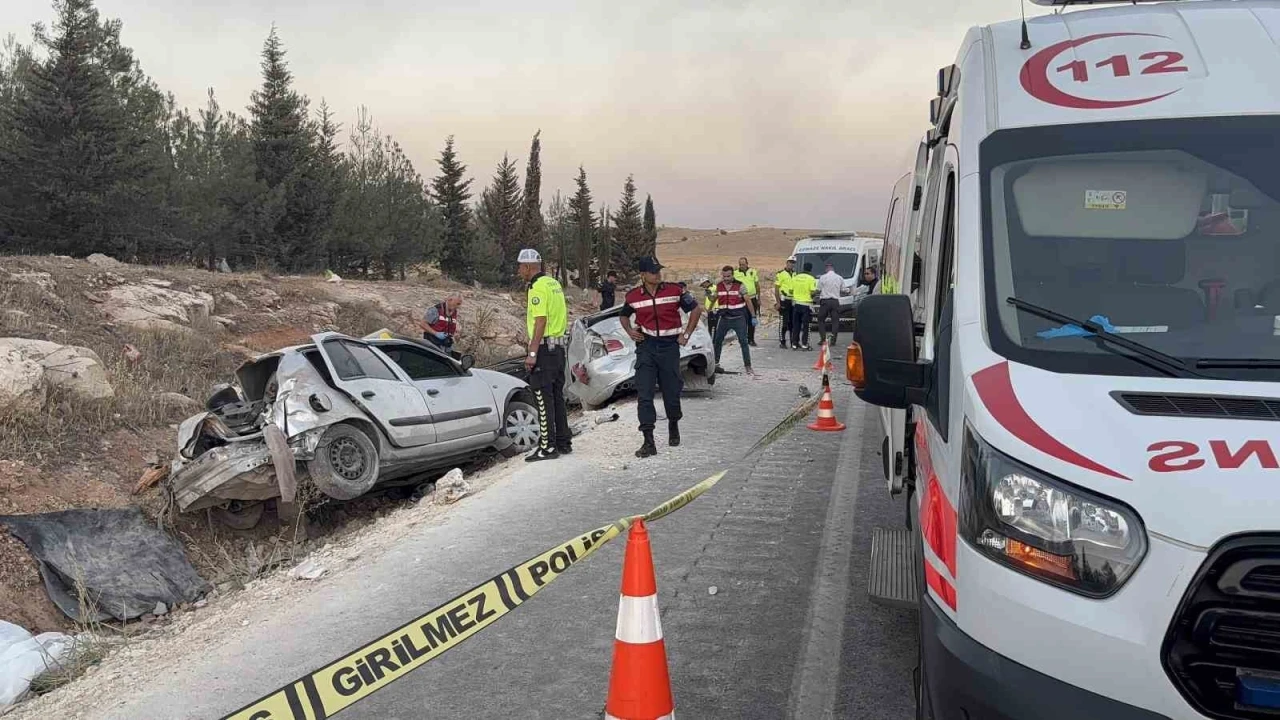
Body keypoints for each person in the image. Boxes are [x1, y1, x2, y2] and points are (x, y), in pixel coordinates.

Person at [620, 257, 703, 458]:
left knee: (671, 391)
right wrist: (630, 331)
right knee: (644, 393)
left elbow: (696, 310)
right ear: (643, 275)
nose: (658, 274)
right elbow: (623, 315)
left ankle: (673, 423)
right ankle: (648, 441)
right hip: (646, 347)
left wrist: (686, 335)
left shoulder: (675, 291)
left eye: (658, 270)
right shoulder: (633, 296)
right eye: (653, 271)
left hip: (669, 347)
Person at [517, 248, 571, 462]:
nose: (519, 271)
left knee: (542, 398)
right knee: (557, 397)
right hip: (558, 349)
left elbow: (540, 321)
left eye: (520, 267)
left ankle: (547, 447)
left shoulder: (537, 287)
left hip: (544, 350)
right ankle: (563, 441)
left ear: (527, 267)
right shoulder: (553, 283)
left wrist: (532, 352)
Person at [712, 265, 755, 376]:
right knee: (717, 341)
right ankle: (715, 364)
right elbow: (714, 298)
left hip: (738, 319)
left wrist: (753, 316)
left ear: (733, 275)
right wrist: (709, 308)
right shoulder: (719, 286)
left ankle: (748, 366)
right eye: (724, 276)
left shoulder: (740, 285)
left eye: (728, 276)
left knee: (743, 342)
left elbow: (748, 301)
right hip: (724, 318)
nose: (726, 278)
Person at [417, 295, 463, 359]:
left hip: (446, 346)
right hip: (432, 344)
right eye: (457, 304)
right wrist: (436, 333)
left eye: (459, 304)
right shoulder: (435, 310)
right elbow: (423, 324)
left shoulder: (454, 312)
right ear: (450, 300)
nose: (458, 306)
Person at [816, 261, 847, 347]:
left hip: (825, 302)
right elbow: (844, 290)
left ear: (827, 268)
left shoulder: (823, 277)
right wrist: (848, 291)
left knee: (821, 320)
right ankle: (833, 341)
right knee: (835, 321)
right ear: (833, 268)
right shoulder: (839, 277)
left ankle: (823, 339)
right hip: (835, 302)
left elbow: (818, 289)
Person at [790, 262, 818, 350]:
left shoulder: (795, 277)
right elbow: (812, 292)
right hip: (806, 305)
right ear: (810, 269)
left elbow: (790, 291)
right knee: (806, 326)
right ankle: (804, 344)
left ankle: (794, 344)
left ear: (803, 268)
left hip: (796, 304)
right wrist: (815, 293)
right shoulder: (811, 278)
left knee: (796, 325)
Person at [734, 257, 761, 347]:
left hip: (752, 298)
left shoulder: (753, 272)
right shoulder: (735, 273)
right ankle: (743, 339)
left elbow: (757, 286)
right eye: (740, 264)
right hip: (741, 299)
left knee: (752, 319)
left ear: (747, 263)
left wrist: (759, 298)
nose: (742, 266)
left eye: (743, 264)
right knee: (742, 320)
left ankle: (751, 339)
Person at [774, 256, 796, 349]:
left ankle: (792, 341)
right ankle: (782, 341)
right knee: (784, 322)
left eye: (793, 263)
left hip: (793, 300)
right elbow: (776, 289)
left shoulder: (795, 274)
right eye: (790, 262)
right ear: (787, 263)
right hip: (784, 300)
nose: (791, 264)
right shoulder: (780, 274)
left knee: (792, 322)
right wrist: (778, 302)